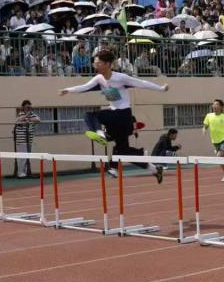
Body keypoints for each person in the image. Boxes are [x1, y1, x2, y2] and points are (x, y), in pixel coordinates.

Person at [59, 48, 167, 183]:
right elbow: (84, 87)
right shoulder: (99, 78)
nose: (95, 65)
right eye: (94, 63)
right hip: (115, 114)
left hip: (123, 115)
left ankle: (101, 134)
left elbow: (142, 83)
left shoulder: (120, 77)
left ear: (107, 64)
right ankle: (154, 169)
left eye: (98, 63)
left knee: (90, 115)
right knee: (123, 151)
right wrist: (68, 90)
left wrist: (161, 88)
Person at [13, 100, 41, 178]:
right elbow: (18, 120)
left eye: (29, 106)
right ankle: (20, 172)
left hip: (29, 139)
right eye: (26, 106)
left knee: (27, 156)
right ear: (23, 107)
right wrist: (26, 115)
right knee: (23, 156)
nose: (28, 108)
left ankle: (25, 172)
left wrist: (30, 119)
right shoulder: (21, 113)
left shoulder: (32, 114)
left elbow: (38, 120)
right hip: (21, 140)